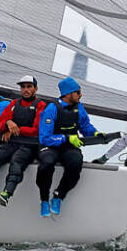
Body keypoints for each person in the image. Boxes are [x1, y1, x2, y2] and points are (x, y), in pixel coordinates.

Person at [0, 76, 46, 206]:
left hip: (29, 145)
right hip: (12, 142)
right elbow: (0, 126)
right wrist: (8, 122)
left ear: (36, 89)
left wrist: (16, 129)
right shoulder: (13, 104)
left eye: (29, 86)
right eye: (23, 87)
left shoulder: (41, 105)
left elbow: (37, 129)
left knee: (17, 161)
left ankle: (6, 193)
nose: (25, 90)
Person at [36, 77, 101, 217]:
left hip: (69, 147)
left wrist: (95, 133)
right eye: (78, 92)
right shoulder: (52, 108)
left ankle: (59, 196)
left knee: (76, 163)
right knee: (46, 164)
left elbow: (85, 126)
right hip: (51, 146)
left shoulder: (79, 108)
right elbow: (45, 138)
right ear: (68, 93)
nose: (80, 95)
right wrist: (66, 138)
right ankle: (44, 200)